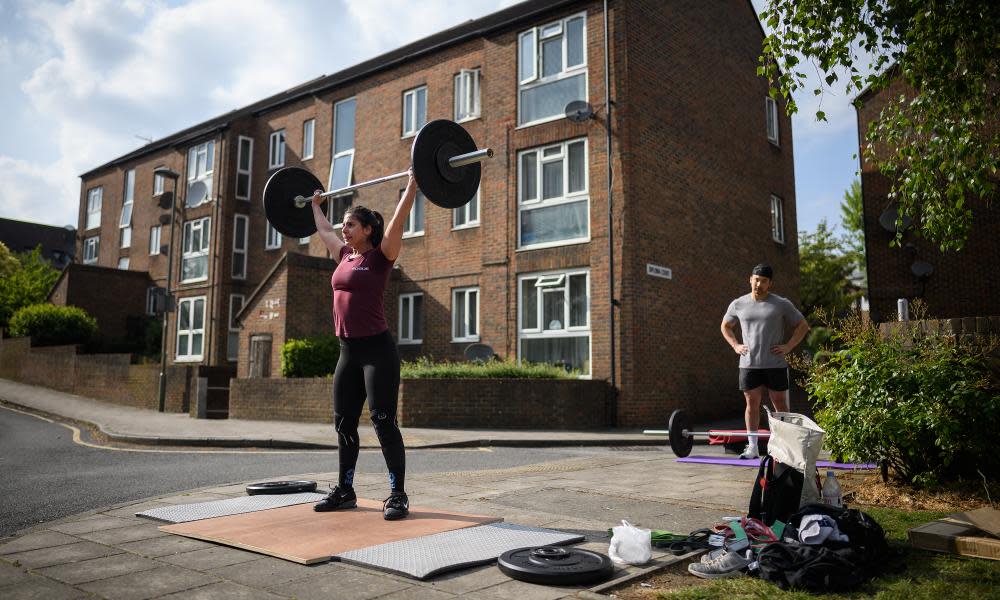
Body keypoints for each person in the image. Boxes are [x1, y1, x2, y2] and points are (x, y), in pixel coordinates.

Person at [308, 168, 418, 520]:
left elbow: (399, 221)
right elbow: (323, 229)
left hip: (377, 352)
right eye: (345, 225)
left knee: (383, 421)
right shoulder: (344, 256)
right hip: (347, 353)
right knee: (343, 423)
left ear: (368, 230)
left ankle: (397, 495)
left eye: (351, 225)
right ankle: (345, 490)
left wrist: (414, 183)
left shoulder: (381, 256)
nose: (344, 229)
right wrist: (315, 205)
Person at [721, 263, 809, 459]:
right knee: (752, 404)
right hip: (749, 364)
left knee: (780, 404)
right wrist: (735, 345)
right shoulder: (738, 304)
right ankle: (752, 447)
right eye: (756, 280)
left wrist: (788, 346)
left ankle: (786, 446)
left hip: (775, 364)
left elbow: (803, 325)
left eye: (763, 281)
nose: (758, 284)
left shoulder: (781, 303)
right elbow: (725, 326)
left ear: (770, 284)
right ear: (750, 280)